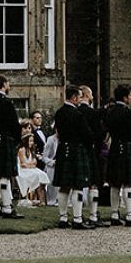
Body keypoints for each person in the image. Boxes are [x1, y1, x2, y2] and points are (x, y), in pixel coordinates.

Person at [51, 87, 91, 228]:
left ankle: (63, 218)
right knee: (77, 186)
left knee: (64, 186)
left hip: (63, 149)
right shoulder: (77, 114)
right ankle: (77, 219)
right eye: (79, 97)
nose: (80, 100)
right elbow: (86, 134)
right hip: (76, 150)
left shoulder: (59, 112)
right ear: (73, 97)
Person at [0, 75, 23, 218]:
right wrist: (17, 139)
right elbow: (14, 124)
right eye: (8, 83)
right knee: (5, 175)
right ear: (4, 85)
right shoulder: (7, 103)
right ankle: (7, 207)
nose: (9, 86)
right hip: (6, 139)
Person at [103, 85, 131, 225]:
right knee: (128, 183)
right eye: (130, 95)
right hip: (126, 147)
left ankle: (114, 214)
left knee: (115, 183)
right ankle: (130, 215)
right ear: (125, 97)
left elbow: (105, 129)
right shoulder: (129, 113)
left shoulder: (110, 112)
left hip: (114, 148)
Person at [76, 85, 104, 225]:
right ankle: (93, 215)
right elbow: (99, 134)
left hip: (77, 150)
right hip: (91, 150)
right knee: (93, 183)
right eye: (92, 94)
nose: (93, 97)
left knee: (78, 184)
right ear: (87, 95)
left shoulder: (75, 111)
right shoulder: (92, 113)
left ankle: (78, 215)